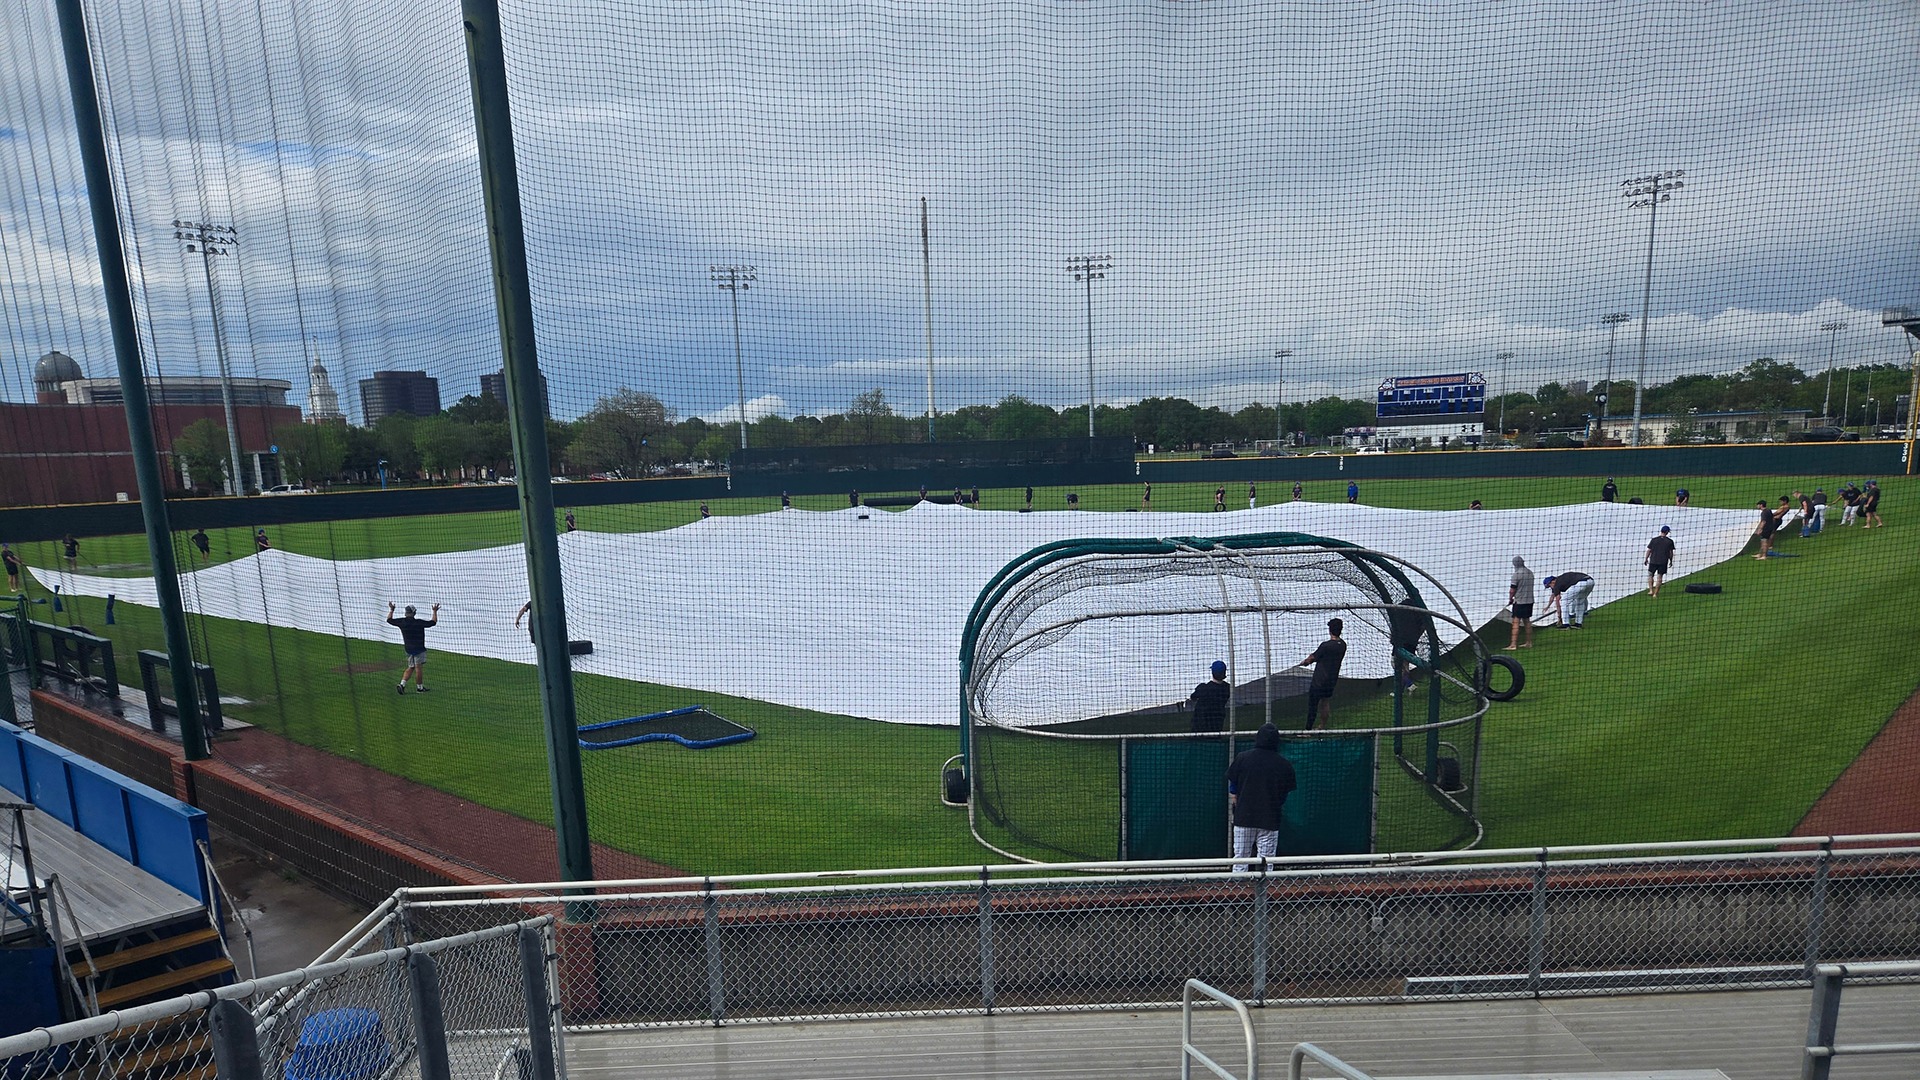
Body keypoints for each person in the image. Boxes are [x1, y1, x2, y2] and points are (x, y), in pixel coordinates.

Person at [1226, 722, 1295, 870]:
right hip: (1270, 818)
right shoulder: (1284, 764)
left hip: (1244, 817)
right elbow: (1284, 793)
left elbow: (1233, 785)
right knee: (1266, 861)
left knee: (1240, 859)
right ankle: (1262, 892)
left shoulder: (1243, 758)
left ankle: (1238, 891)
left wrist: (1236, 801)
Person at [1301, 618, 1346, 729]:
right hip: (1331, 681)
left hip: (1319, 681)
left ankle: (1308, 730)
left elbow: (1312, 658)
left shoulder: (1325, 646)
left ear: (1330, 630)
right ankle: (1322, 726)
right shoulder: (1343, 645)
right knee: (1325, 702)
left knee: (1313, 706)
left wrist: (1305, 662)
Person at [386, 602, 440, 693]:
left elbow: (389, 620)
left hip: (409, 649)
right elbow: (433, 622)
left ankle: (402, 684)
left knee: (411, 667)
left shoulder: (402, 622)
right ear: (414, 613)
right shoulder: (419, 622)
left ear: (405, 613)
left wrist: (391, 610)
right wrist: (434, 611)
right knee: (418, 668)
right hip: (419, 649)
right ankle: (420, 688)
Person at [1187, 660, 1232, 733]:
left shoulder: (1203, 688)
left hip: (1199, 726)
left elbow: (1193, 697)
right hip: (1217, 724)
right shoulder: (1227, 688)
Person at [1508, 556, 1535, 649]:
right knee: (1527, 621)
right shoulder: (1530, 572)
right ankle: (1529, 642)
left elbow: (1512, 589)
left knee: (1516, 622)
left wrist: (1510, 598)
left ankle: (1513, 644)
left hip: (1520, 601)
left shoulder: (1516, 574)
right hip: (1530, 600)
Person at [1645, 526, 1675, 597]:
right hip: (1663, 561)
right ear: (1667, 532)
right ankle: (1655, 594)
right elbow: (1671, 553)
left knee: (1650, 575)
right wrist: (1670, 560)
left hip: (1653, 560)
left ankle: (1651, 590)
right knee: (1659, 577)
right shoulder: (1669, 541)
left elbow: (1649, 550)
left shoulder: (1654, 540)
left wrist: (1646, 559)